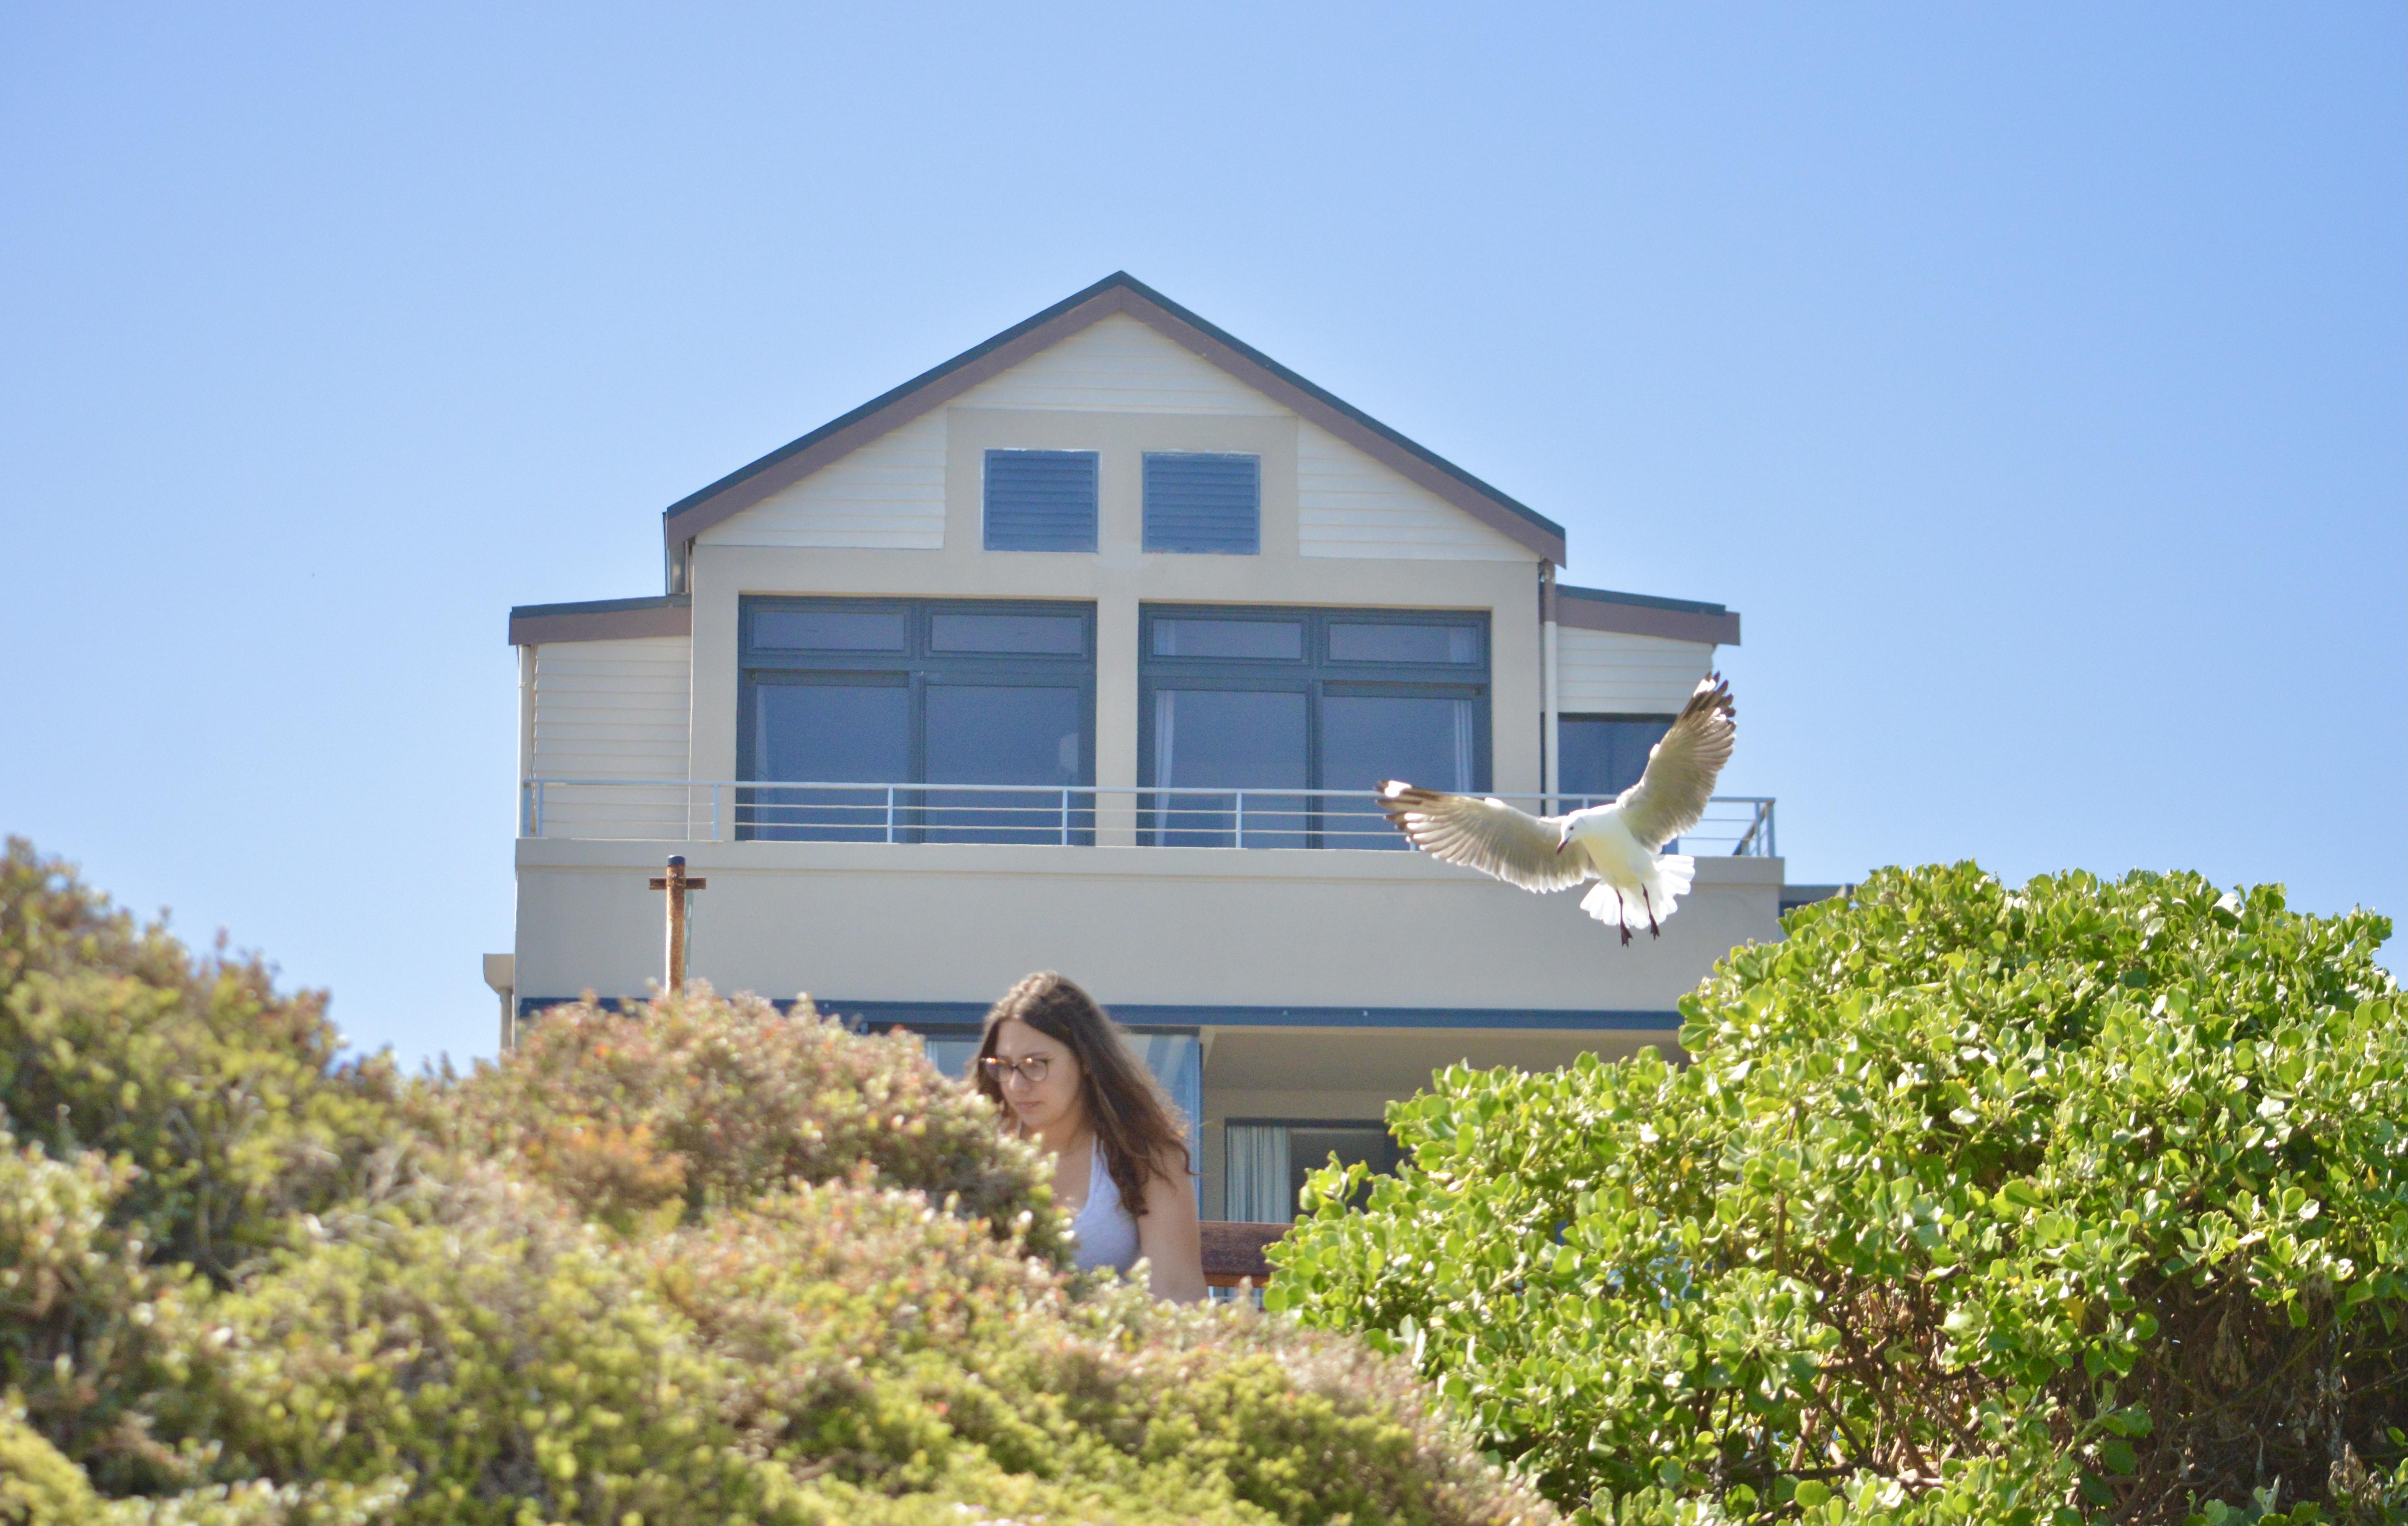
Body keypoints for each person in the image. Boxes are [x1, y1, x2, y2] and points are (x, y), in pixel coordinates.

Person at [972, 972, 1205, 1303]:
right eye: (1005, 1066)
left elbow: (1178, 1293)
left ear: (1085, 1060)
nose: (1016, 1085)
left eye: (1035, 1064)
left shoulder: (1144, 1156)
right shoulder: (980, 1153)